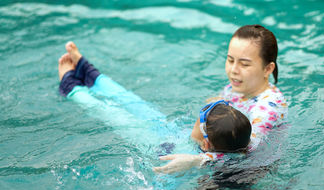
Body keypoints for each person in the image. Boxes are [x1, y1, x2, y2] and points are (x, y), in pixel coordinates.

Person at [58, 42, 252, 169]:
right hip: (165, 128)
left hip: (154, 142)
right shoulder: (223, 146)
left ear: (206, 144)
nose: (200, 113)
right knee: (131, 100)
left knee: (111, 113)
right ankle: (91, 74)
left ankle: (72, 89)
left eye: (202, 116)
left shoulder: (180, 163)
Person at [156, 24, 288, 173]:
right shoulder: (239, 86)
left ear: (268, 69)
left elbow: (247, 151)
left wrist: (197, 161)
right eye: (230, 60)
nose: (233, 70)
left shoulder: (268, 109)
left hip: (250, 170)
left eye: (244, 64)